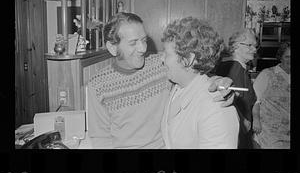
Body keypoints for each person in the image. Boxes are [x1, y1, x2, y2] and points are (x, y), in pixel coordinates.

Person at [87, 12, 235, 149]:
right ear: (113, 48)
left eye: (144, 40)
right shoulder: (97, 85)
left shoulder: (161, 64)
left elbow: (193, 73)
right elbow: (100, 137)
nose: (142, 49)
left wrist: (219, 82)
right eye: (133, 43)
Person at [160, 17, 239, 148]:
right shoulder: (178, 86)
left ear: (188, 59)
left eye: (166, 54)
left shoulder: (216, 106)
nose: (161, 58)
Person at [215, 29, 257, 149]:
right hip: (236, 127)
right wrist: (243, 120)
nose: (254, 49)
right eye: (250, 45)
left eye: (255, 46)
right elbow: (227, 99)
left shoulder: (241, 68)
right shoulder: (234, 68)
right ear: (236, 46)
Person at [252, 42, 290, 149]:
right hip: (270, 131)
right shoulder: (267, 74)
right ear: (280, 57)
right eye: (287, 56)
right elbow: (255, 99)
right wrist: (256, 120)